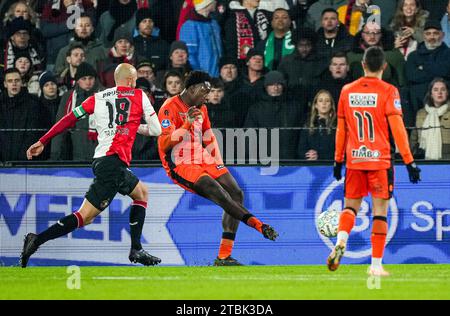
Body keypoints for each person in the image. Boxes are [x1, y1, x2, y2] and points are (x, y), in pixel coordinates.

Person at [20, 63, 163, 268]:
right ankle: (37, 240)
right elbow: (156, 130)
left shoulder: (97, 97)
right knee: (84, 217)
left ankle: (136, 249)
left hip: (102, 160)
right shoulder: (139, 95)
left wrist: (43, 140)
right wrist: (133, 126)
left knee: (141, 192)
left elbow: (68, 119)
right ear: (131, 81)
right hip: (113, 163)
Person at [157, 71, 278, 266]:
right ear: (192, 88)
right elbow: (164, 144)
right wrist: (187, 123)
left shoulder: (202, 108)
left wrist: (218, 163)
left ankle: (223, 256)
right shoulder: (169, 108)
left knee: (236, 193)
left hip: (201, 155)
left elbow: (207, 135)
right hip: (180, 163)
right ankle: (259, 225)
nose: (207, 96)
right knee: (220, 194)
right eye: (205, 92)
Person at [328, 46, 421, 276]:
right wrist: (409, 162)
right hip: (380, 160)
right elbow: (398, 130)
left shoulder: (347, 91)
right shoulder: (389, 91)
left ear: (362, 65)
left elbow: (342, 130)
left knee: (350, 207)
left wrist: (338, 160)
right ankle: (376, 266)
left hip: (355, 160)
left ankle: (341, 241)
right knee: (380, 213)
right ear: (384, 67)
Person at [179, 0, 223, 77]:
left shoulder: (214, 23)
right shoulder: (189, 25)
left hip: (219, 75)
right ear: (206, 3)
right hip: (203, 76)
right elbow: (189, 55)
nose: (216, 2)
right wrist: (198, 75)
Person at [410, 78, 450, 160]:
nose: (439, 92)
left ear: (447, 93)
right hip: (424, 156)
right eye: (436, 90)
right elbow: (414, 137)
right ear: (431, 94)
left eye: (443, 89)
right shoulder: (421, 113)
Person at [297, 90, 336, 160]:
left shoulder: (337, 125)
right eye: (320, 101)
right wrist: (309, 155)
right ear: (316, 105)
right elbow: (301, 149)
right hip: (312, 166)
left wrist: (319, 156)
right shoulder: (308, 124)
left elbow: (341, 150)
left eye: (327, 101)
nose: (324, 103)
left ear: (331, 105)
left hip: (331, 165)